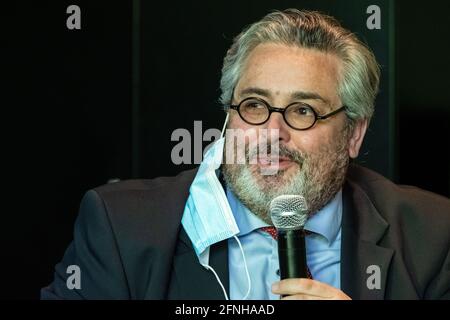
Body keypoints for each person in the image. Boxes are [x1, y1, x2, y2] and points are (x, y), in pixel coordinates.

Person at [41, 9, 450, 300]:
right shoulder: (121, 227)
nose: (272, 134)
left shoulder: (432, 236)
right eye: (254, 106)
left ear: (354, 134)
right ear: (228, 114)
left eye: (302, 111)